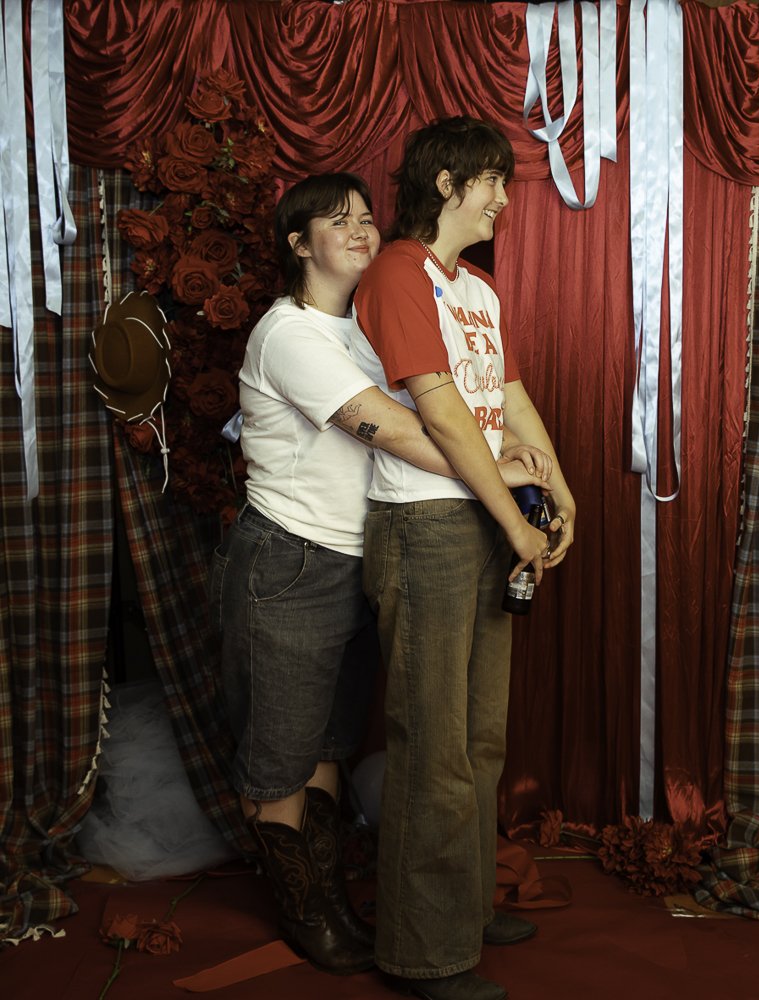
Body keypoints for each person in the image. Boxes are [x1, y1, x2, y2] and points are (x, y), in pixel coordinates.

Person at [210, 171, 549, 978]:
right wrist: (496, 472)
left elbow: (449, 401)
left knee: (329, 742)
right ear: (299, 245)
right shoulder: (289, 333)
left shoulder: (362, 326)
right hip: (290, 559)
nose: (361, 231)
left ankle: (331, 894)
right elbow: (397, 430)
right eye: (337, 221)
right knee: (281, 753)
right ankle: (305, 911)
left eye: (366, 217)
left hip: (359, 553)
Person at [351, 118, 576, 1000]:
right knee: (431, 744)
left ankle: (466, 907)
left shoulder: (476, 288)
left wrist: (562, 496)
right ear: (446, 184)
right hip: (427, 527)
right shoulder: (399, 272)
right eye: (494, 182)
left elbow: (507, 399)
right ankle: (423, 953)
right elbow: (441, 413)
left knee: (480, 739)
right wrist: (514, 524)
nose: (505, 200)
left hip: (489, 521)